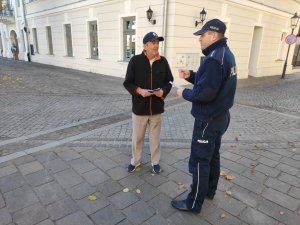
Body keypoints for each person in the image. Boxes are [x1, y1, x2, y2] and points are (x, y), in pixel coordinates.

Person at [171, 19, 237, 213]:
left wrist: (184, 93)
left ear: (214, 35)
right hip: (220, 117)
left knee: (200, 161)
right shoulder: (225, 54)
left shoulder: (214, 59)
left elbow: (204, 94)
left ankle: (194, 203)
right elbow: (211, 81)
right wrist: (190, 75)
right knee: (213, 156)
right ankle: (209, 191)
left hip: (208, 119)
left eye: (203, 34)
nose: (199, 38)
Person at [123, 32, 173, 174]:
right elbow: (127, 83)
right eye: (153, 43)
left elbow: (169, 81)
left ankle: (155, 162)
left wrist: (163, 92)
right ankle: (135, 161)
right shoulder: (135, 61)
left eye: (158, 42)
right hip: (139, 109)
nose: (156, 45)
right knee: (137, 138)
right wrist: (139, 91)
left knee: (155, 139)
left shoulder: (163, 61)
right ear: (145, 46)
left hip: (157, 108)